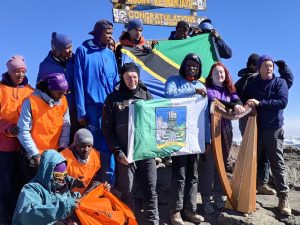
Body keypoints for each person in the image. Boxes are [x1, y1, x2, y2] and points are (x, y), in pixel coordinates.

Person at [102, 62, 159, 225]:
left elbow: (155, 123)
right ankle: (130, 221)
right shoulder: (113, 98)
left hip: (146, 151)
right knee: (127, 191)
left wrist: (158, 149)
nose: (132, 80)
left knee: (151, 188)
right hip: (125, 153)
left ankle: (153, 221)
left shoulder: (146, 95)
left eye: (134, 76)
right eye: (128, 77)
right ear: (122, 78)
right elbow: (106, 129)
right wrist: (117, 152)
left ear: (138, 77)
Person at [235, 53, 294, 195]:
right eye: (265, 65)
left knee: (276, 162)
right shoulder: (250, 84)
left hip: (273, 128)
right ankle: (249, 191)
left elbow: (283, 102)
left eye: (271, 66)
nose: (269, 68)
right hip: (254, 127)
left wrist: (259, 103)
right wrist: (243, 104)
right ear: (258, 68)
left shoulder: (280, 82)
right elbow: (238, 96)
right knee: (252, 159)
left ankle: (283, 197)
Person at [165, 53, 209, 225]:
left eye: (196, 66)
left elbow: (204, 115)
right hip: (177, 134)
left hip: (195, 136)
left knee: (193, 175)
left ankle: (190, 210)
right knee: (180, 173)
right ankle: (175, 211)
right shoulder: (173, 80)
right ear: (183, 65)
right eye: (189, 64)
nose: (192, 67)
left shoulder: (202, 85)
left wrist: (207, 140)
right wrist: (192, 90)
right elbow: (169, 95)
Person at [74, 19, 119, 185]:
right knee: (92, 148)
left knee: (110, 146)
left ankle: (109, 186)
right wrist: (81, 110)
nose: (110, 37)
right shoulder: (82, 51)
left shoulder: (110, 54)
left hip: (109, 108)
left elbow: (115, 81)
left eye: (112, 34)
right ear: (99, 33)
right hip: (91, 109)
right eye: (108, 33)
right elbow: (78, 82)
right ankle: (91, 187)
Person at [199, 62, 245, 214]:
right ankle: (206, 198)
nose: (220, 75)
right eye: (216, 73)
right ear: (211, 76)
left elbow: (236, 99)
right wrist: (234, 106)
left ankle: (218, 195)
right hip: (210, 133)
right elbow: (218, 103)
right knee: (209, 166)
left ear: (226, 75)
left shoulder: (229, 89)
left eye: (222, 73)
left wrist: (238, 104)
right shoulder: (208, 90)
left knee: (222, 166)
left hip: (225, 132)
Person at [17, 73, 70, 184]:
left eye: (65, 92)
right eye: (60, 92)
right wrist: (35, 155)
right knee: (31, 191)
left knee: (51, 191)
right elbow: (23, 131)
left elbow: (66, 125)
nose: (63, 95)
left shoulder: (63, 100)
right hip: (32, 157)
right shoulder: (31, 102)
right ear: (50, 89)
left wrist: (62, 148)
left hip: (53, 156)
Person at [0, 55, 33, 224]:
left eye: (23, 71)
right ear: (9, 71)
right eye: (16, 71)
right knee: (5, 184)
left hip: (23, 146)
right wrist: (6, 128)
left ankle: (19, 218)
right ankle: (4, 218)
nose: (20, 74)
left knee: (22, 183)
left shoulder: (30, 91)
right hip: (3, 146)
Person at [12, 150, 83, 225]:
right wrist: (64, 208)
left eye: (64, 175)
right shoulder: (31, 189)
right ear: (48, 173)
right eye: (58, 175)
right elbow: (28, 216)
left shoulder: (62, 187)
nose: (62, 179)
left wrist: (77, 199)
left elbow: (69, 200)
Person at [37, 32, 80, 144]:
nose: (70, 50)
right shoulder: (45, 66)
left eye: (71, 46)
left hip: (77, 112)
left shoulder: (76, 60)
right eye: (67, 48)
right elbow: (40, 90)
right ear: (56, 50)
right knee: (61, 145)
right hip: (57, 113)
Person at [61, 128, 102, 195]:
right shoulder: (62, 159)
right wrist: (72, 183)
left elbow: (97, 178)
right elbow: (56, 185)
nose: (86, 149)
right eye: (82, 146)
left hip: (85, 197)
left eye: (89, 146)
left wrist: (88, 192)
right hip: (66, 198)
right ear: (75, 145)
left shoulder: (95, 155)